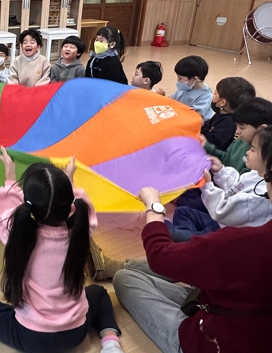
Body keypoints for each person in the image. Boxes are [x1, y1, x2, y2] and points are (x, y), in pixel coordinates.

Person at [0, 148, 123, 353]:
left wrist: (9, 176)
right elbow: (84, 208)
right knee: (99, 293)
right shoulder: (80, 232)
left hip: (32, 338)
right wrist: (69, 181)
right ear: (70, 204)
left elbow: (3, 210)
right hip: (75, 333)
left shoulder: (18, 235)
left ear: (28, 205)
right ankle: (111, 342)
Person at [113, 184, 272, 353]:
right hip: (233, 313)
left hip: (214, 342)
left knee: (124, 279)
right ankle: (120, 266)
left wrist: (154, 208)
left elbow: (159, 255)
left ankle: (118, 267)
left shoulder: (243, 242)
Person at [167, 127, 272, 241]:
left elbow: (221, 211)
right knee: (182, 212)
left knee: (168, 230)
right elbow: (236, 186)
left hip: (230, 233)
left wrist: (207, 185)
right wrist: (220, 170)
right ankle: (188, 240)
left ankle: (188, 241)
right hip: (220, 223)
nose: (247, 152)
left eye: (252, 149)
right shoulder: (257, 174)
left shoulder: (261, 195)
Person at [205, 97, 272, 174]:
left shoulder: (260, 156)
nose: (237, 131)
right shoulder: (241, 141)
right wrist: (206, 145)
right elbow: (226, 158)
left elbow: (242, 179)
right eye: (236, 126)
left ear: (262, 129)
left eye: (242, 128)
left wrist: (220, 171)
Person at [201, 77, 256, 150]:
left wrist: (202, 128)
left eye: (215, 93)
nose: (213, 95)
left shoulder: (229, 123)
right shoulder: (222, 112)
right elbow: (210, 124)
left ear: (222, 102)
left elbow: (214, 143)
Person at [169, 55, 213, 121]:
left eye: (180, 78)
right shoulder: (185, 87)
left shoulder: (205, 97)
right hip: (179, 118)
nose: (178, 80)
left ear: (194, 79)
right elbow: (172, 101)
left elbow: (192, 116)